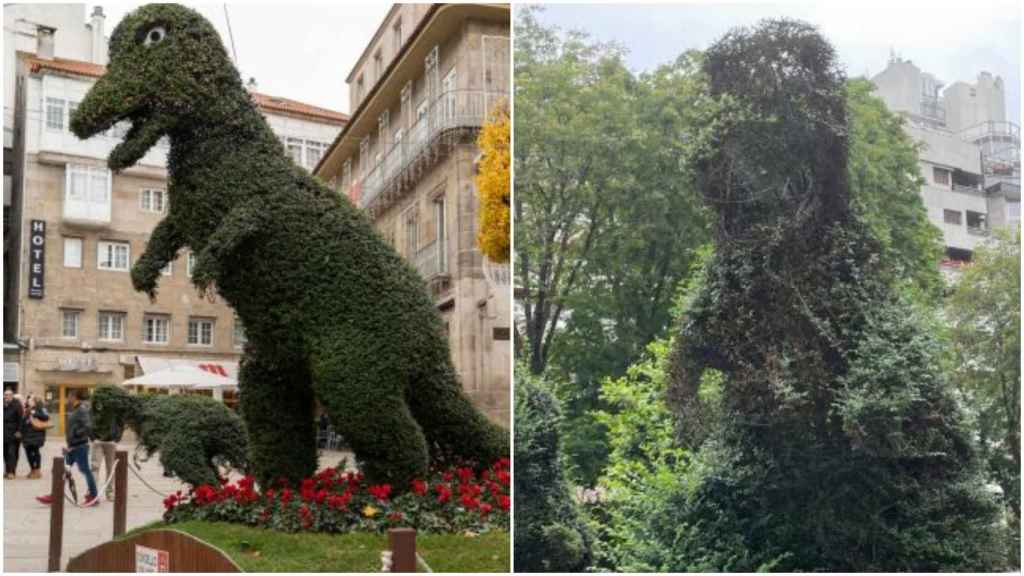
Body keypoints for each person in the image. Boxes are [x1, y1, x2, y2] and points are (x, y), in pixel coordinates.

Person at [36, 390, 99, 506]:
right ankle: (55, 495)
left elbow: (88, 426)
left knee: (85, 470)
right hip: (73, 446)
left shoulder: (82, 409)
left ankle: (94, 496)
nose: (67, 399)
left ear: (74, 397)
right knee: (62, 470)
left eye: (69, 396)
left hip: (80, 446)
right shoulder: (75, 409)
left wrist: (76, 434)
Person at [90, 413, 122, 500]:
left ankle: (110, 492)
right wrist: (93, 438)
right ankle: (93, 493)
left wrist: (116, 439)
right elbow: (89, 421)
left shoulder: (114, 406)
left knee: (111, 468)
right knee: (95, 468)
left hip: (111, 441)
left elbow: (120, 422)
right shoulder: (96, 406)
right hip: (98, 441)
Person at [20, 395, 49, 479]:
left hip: (37, 435)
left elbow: (46, 417)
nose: (28, 401)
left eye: (30, 400)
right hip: (27, 435)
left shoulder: (41, 408)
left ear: (35, 401)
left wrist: (35, 413)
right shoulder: (27, 409)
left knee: (35, 452)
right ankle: (32, 469)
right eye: (28, 400)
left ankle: (38, 470)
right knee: (28, 453)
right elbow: (23, 421)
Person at [4, 389, 23, 479]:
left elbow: (20, 420)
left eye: (7, 395)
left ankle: (12, 471)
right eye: (5, 395)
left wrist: (19, 431)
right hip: (4, 433)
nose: (5, 397)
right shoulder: (4, 405)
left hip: (14, 433)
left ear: (12, 396)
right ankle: (7, 470)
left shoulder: (17, 405)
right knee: (5, 453)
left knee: (12, 453)